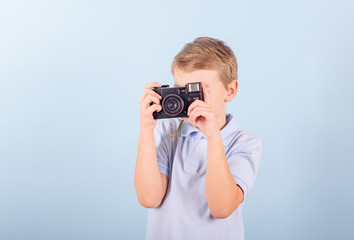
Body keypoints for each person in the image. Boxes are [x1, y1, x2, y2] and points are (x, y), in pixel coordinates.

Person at [134, 37, 263, 240]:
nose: (189, 101)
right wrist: (146, 128)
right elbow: (149, 198)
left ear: (230, 91)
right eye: (181, 91)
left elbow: (221, 208)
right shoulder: (168, 132)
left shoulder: (245, 143)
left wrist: (213, 137)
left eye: (198, 91)